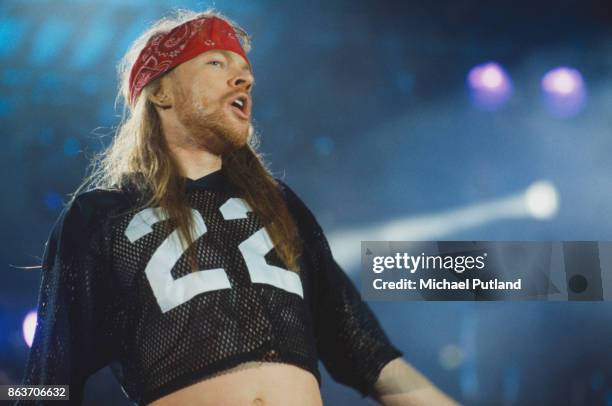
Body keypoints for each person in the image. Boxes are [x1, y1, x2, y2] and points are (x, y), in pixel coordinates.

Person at [18, 9, 457, 406]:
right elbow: (49, 377)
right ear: (161, 93)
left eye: (245, 71)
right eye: (216, 63)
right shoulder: (101, 216)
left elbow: (364, 350)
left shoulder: (278, 205)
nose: (244, 79)